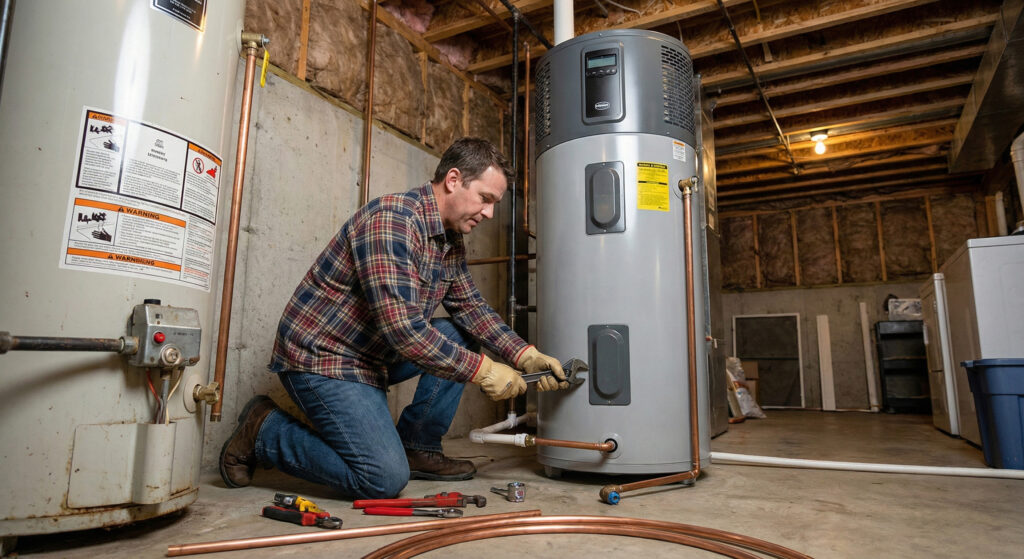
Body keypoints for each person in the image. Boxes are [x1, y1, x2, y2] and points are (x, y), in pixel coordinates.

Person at [219, 137, 568, 499]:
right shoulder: (393, 222)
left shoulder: (448, 240)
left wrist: (524, 354)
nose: (490, 213)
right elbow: (404, 331)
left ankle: (418, 447)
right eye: (486, 199)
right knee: (381, 479)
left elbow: (472, 309)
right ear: (453, 180)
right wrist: (484, 370)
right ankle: (265, 430)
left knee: (460, 332)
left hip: (371, 356)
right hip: (323, 359)